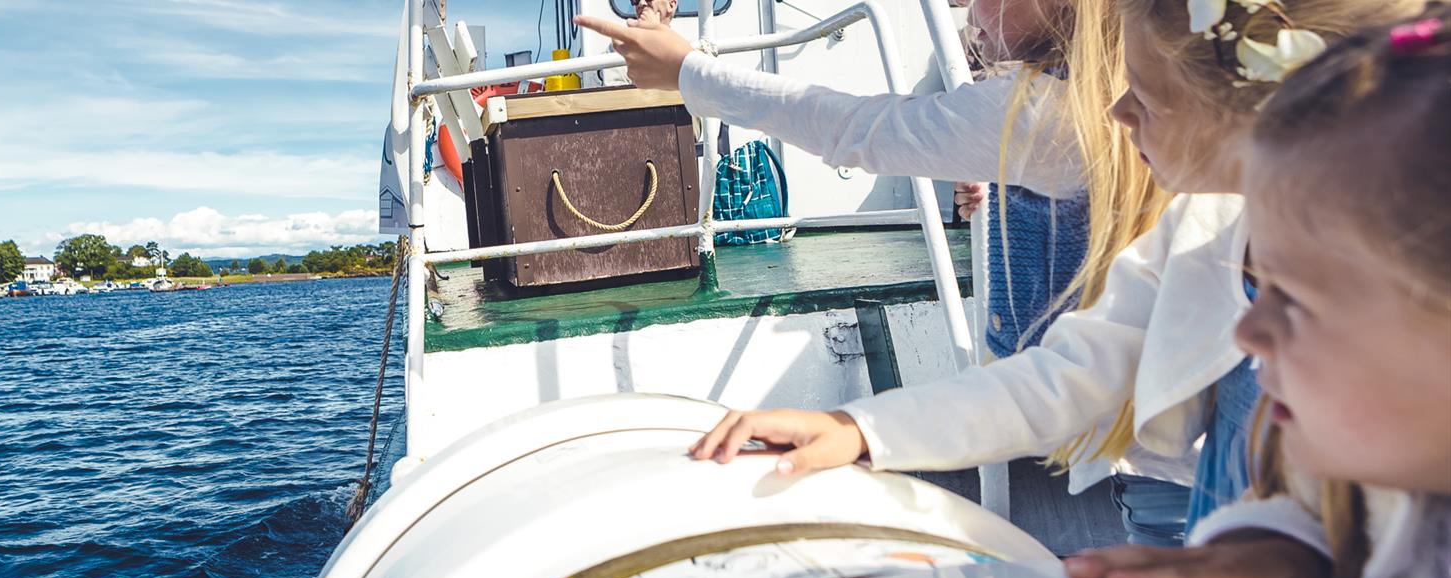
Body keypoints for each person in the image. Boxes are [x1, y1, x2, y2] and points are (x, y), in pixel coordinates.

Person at [577, 0, 1424, 545]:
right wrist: (862, 429)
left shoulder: (1057, 117)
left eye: (1148, 98)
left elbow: (864, 129)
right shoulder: (1197, 233)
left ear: (1240, 107)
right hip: (1211, 525)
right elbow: (1072, 371)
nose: (1119, 114)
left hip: (1172, 508)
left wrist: (690, 71)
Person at [1067, 8, 1451, 578]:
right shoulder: (1376, 458)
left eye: (1294, 299)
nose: (1248, 331)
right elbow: (1319, 506)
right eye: (1261, 284)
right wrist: (1282, 547)